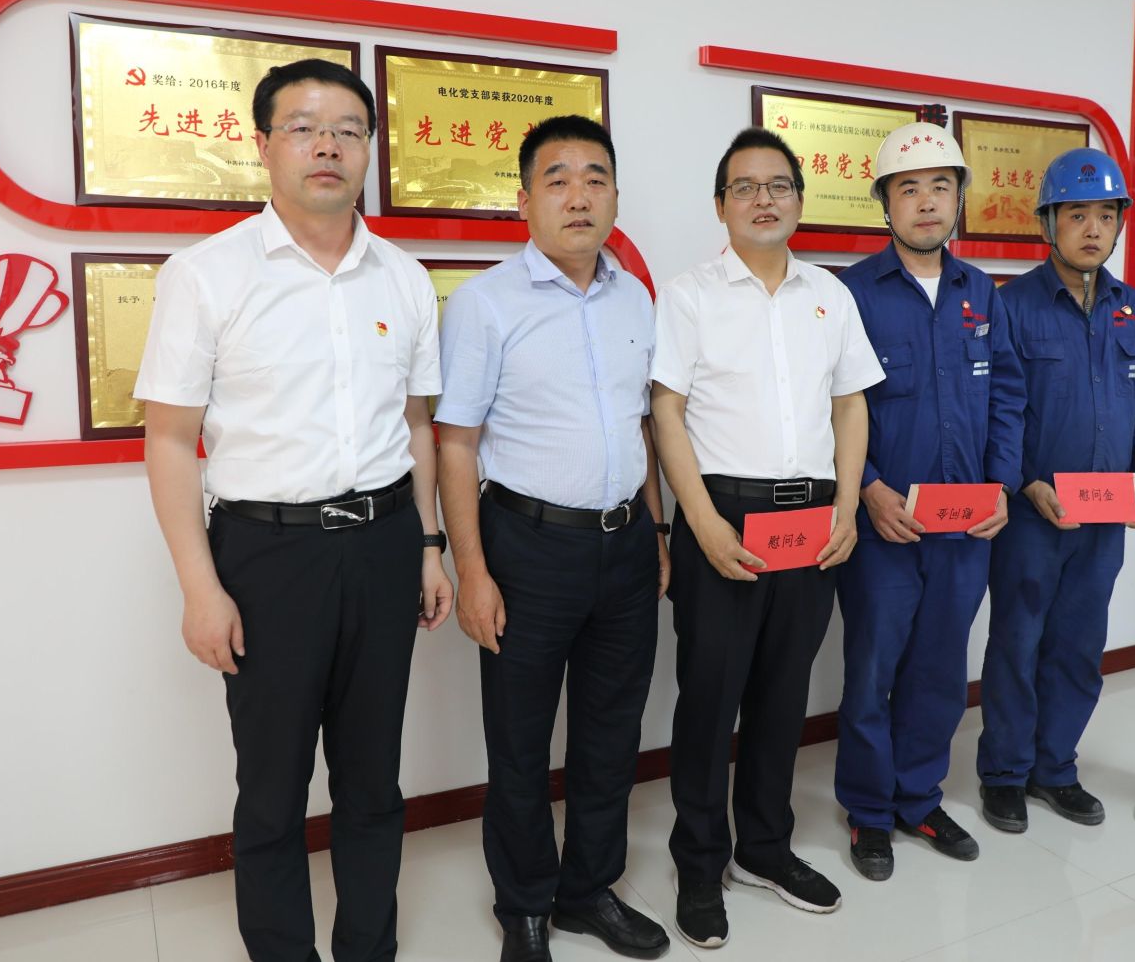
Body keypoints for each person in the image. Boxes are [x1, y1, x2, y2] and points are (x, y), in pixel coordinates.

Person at [135, 58, 453, 962]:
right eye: (305, 127)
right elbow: (170, 441)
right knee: (272, 791)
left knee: (373, 781)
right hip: (266, 557)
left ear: (369, 150)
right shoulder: (208, 274)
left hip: (385, 543)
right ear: (264, 144)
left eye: (348, 130)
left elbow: (417, 425)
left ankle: (369, 948)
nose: (327, 146)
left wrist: (429, 546)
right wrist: (201, 588)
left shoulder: (403, 277)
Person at [436, 115, 671, 962]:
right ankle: (526, 903)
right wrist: (471, 568)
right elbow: (454, 443)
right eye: (558, 178)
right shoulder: (485, 303)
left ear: (615, 197)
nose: (579, 195)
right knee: (520, 738)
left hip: (625, 544)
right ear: (525, 200)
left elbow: (642, 425)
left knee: (612, 731)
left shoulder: (635, 297)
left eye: (595, 178)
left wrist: (656, 528)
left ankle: (588, 890)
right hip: (526, 547)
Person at [651, 127, 883, 948]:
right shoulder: (689, 295)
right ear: (721, 204)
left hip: (811, 521)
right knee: (709, 700)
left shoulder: (830, 294)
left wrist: (847, 506)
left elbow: (851, 402)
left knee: (784, 696)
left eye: (778, 185)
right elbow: (667, 410)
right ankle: (699, 859)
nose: (763, 199)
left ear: (799, 201)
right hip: (724, 514)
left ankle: (764, 847)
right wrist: (701, 521)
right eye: (745, 187)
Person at [833, 122, 1026, 881]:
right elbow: (832, 405)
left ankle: (918, 797)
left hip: (965, 528)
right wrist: (869, 489)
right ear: (884, 203)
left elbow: (1007, 396)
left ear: (959, 200)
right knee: (872, 670)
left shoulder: (983, 294)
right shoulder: (850, 293)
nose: (925, 202)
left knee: (943, 670)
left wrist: (1003, 486)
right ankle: (868, 809)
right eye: (908, 188)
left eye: (940, 187)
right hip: (883, 526)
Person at [975, 148, 1135, 834]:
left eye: (1106, 215)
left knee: (1079, 645)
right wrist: (1025, 483)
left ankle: (1054, 767)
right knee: (1017, 643)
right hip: (1035, 515)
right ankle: (1004, 773)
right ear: (1048, 224)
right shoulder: (1011, 306)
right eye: (1077, 214)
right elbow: (997, 410)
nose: (1093, 229)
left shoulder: (1133, 310)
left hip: (1104, 519)